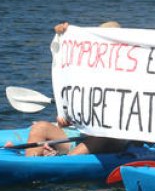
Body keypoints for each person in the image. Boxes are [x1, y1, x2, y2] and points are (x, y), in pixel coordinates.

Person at [17, 21, 128, 157]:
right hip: (82, 135)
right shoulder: (88, 71)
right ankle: (31, 163)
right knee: (40, 127)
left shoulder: (128, 72)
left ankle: (63, 163)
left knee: (101, 135)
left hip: (112, 140)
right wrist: (64, 35)